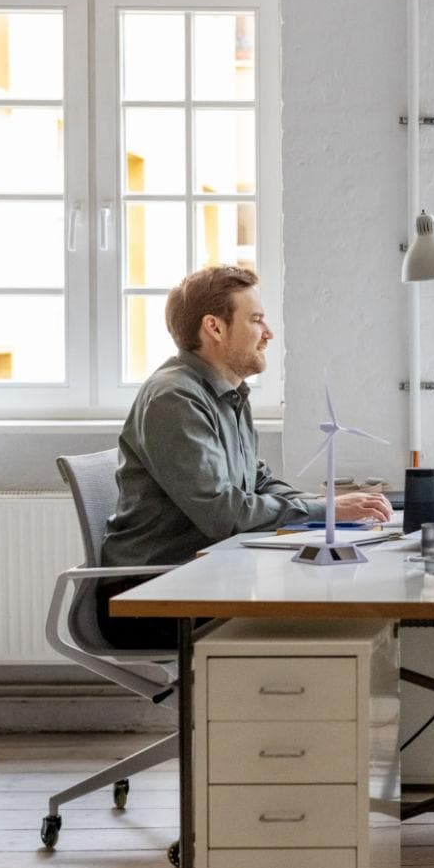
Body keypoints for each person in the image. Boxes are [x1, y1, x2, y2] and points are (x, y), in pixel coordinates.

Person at [98, 265, 392, 646]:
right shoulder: (174, 399)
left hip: (200, 575)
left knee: (334, 599)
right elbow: (225, 513)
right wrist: (326, 511)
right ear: (214, 328)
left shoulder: (228, 393)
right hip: (149, 593)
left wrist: (331, 507)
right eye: (256, 320)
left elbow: (258, 481)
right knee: (324, 612)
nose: (268, 333)